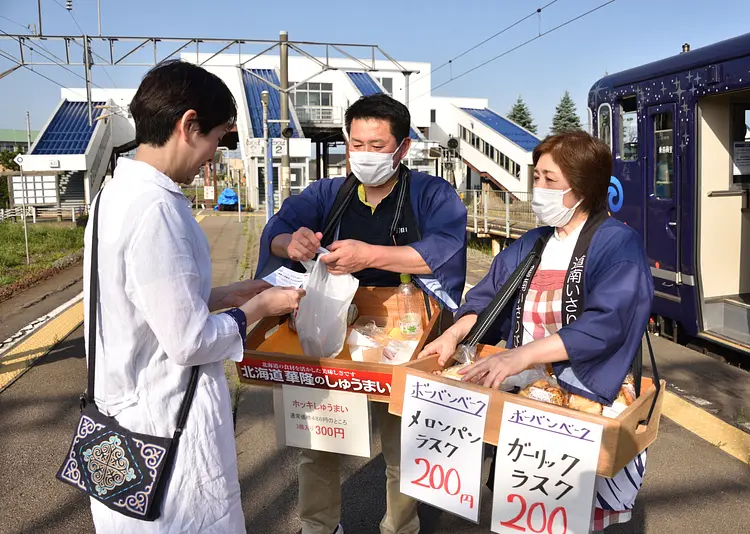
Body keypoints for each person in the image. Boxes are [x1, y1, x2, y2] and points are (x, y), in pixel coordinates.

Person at [85, 60, 305, 533]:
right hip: (165, 428)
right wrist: (262, 307)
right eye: (217, 140)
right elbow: (189, 341)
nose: (215, 157)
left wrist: (234, 292)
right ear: (188, 125)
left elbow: (154, 299)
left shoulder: (115, 194)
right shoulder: (157, 209)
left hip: (119, 424)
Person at [420, 131, 653, 534]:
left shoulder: (618, 243)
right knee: (525, 504)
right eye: (536, 177)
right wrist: (453, 334)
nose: (538, 189)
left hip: (585, 392)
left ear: (582, 188)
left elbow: (606, 323)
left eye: (550, 180)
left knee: (571, 512)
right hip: (530, 393)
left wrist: (521, 355)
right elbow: (488, 296)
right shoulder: (535, 242)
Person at [256, 93, 468, 534]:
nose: (364, 155)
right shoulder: (328, 193)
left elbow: (443, 250)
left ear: (403, 148)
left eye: (377, 146)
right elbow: (277, 230)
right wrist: (288, 245)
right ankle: (317, 526)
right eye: (356, 144)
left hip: (406, 335)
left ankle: (400, 527)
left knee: (403, 445)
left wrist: (370, 254)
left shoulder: (432, 194)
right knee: (318, 442)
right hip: (333, 334)